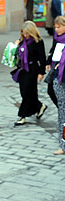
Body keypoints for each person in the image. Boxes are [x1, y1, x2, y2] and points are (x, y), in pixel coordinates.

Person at [14, 21, 47, 126]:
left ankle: (22, 116)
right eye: (23, 33)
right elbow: (16, 56)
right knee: (25, 92)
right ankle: (39, 106)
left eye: (27, 33)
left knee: (27, 93)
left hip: (32, 70)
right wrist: (15, 46)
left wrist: (41, 73)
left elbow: (42, 58)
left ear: (32, 32)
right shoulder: (21, 41)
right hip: (23, 70)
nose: (25, 35)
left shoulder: (38, 42)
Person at [46, 16, 65, 155]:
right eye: (55, 27)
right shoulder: (57, 40)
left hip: (62, 78)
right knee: (62, 113)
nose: (56, 29)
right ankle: (62, 143)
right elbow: (52, 52)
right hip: (57, 77)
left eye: (59, 26)